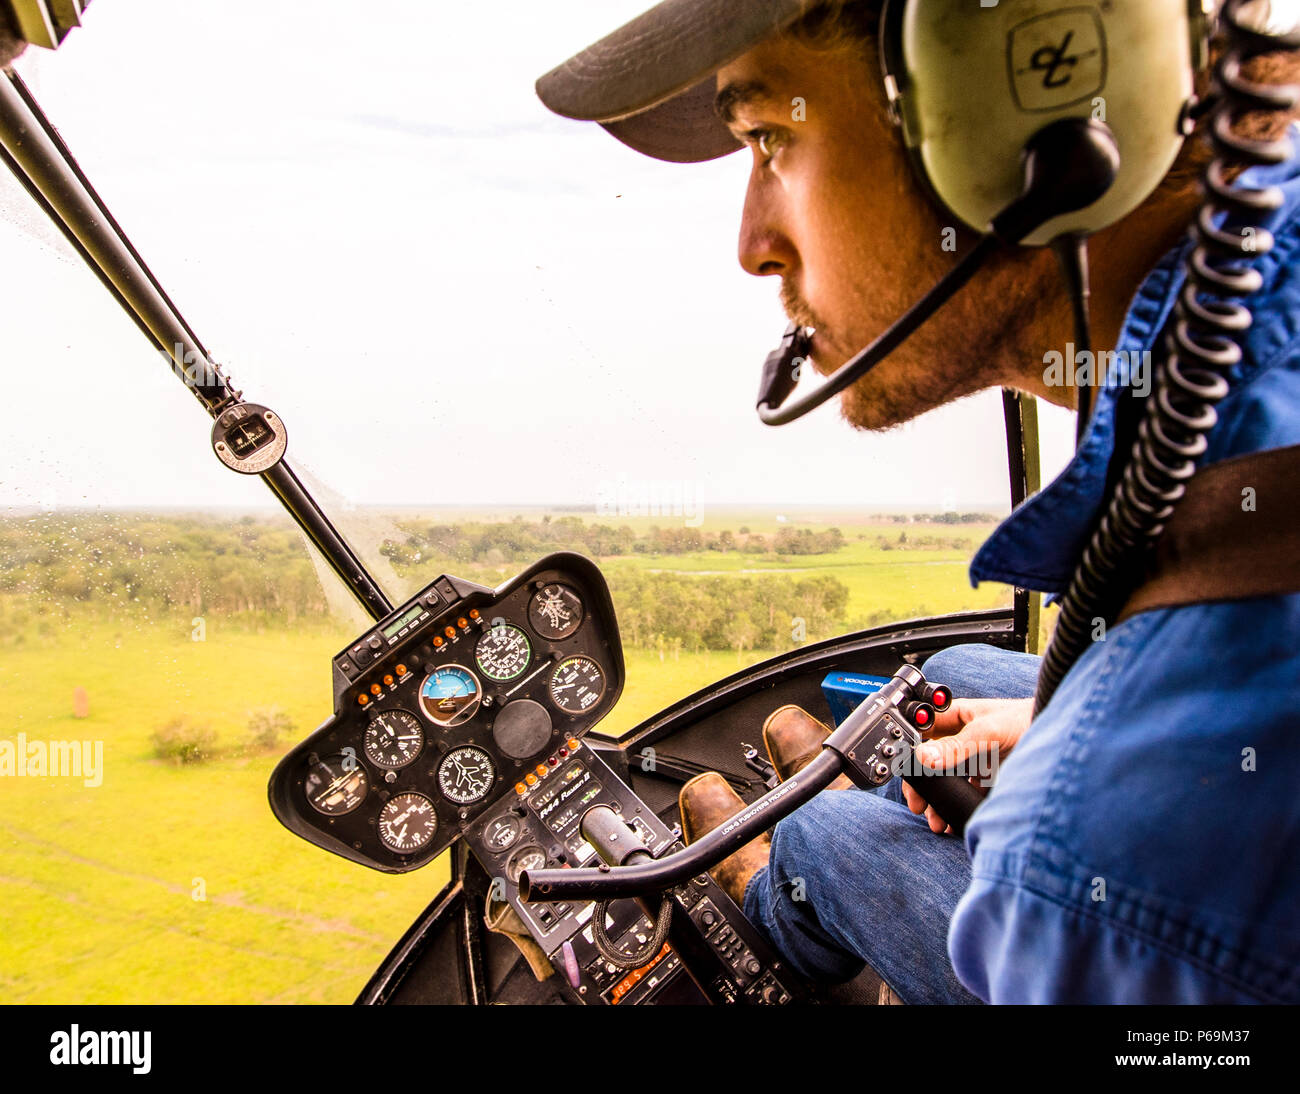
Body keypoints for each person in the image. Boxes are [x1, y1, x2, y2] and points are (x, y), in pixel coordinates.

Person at [537, 0, 1300, 1003]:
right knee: (951, 674)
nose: (752, 243)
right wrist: (1062, 712)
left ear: (1014, 110)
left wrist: (1086, 763)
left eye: (769, 137)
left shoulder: (1076, 857)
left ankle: (774, 883)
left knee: (824, 827)